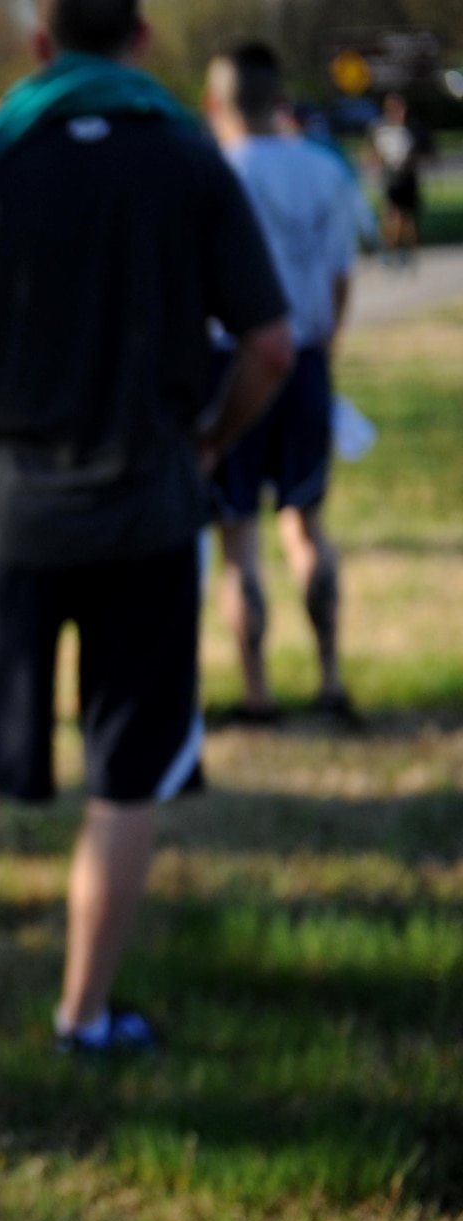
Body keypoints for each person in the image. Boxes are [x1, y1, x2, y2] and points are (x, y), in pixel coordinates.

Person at [0, 0, 294, 1052]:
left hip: (11, 517)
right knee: (125, 779)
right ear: (140, 40)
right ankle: (81, 1014)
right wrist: (206, 440)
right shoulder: (187, 156)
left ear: (38, 44)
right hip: (150, 515)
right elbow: (269, 346)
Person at [203, 43, 361, 724]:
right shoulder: (325, 171)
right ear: (278, 98)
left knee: (238, 538)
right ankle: (329, 676)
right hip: (305, 357)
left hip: (234, 362)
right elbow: (341, 274)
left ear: (216, 104)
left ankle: (258, 690)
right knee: (307, 522)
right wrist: (325, 346)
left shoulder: (217, 174)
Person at [368, 93, 429, 269]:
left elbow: (423, 152)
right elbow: (372, 152)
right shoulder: (380, 129)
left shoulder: (412, 129)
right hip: (391, 178)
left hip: (408, 179)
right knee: (392, 215)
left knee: (408, 218)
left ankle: (407, 251)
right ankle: (389, 250)